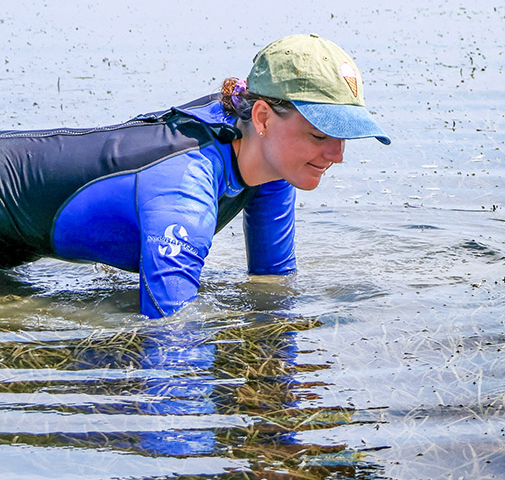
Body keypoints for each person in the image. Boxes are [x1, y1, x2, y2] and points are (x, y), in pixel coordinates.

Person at [0, 34, 390, 318]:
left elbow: (273, 285)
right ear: (263, 118)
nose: (337, 155)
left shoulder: (270, 162)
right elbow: (170, 333)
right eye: (320, 135)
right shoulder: (183, 188)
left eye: (343, 137)